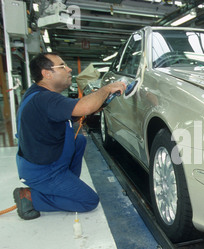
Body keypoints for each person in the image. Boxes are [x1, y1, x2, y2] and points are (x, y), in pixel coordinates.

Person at [13, 52, 126, 220]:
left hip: (45, 161)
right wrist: (107, 88)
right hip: (44, 171)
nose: (69, 69)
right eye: (62, 66)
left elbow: (62, 114)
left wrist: (96, 104)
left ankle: (66, 185)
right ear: (47, 73)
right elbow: (83, 107)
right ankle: (30, 197)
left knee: (78, 140)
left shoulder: (39, 94)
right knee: (89, 201)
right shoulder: (44, 99)